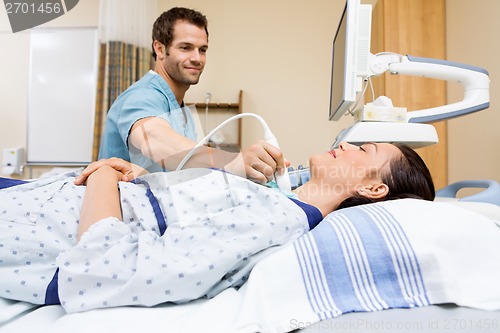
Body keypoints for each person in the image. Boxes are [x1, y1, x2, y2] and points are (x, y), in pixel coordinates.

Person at [0, 141, 434, 313]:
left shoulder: (280, 221)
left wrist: (102, 178)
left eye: (364, 149)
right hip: (51, 198)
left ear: (374, 189)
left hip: (43, 222)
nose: (345, 144)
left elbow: (103, 266)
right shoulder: (281, 204)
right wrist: (141, 179)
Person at [98, 7, 285, 184]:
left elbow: (186, 171)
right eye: (185, 47)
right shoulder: (143, 96)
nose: (197, 58)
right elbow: (154, 140)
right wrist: (236, 161)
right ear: (160, 49)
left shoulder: (183, 111)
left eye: (202, 50)